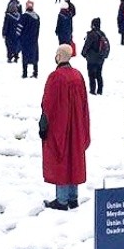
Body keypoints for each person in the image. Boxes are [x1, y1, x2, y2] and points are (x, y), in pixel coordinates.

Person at [39, 44, 90, 210]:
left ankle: (61, 199)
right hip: (76, 126)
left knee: (61, 157)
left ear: (59, 56)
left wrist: (44, 124)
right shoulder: (78, 76)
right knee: (74, 157)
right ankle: (73, 197)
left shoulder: (55, 77)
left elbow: (48, 103)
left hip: (60, 126)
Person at [81, 18, 109, 95]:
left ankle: (92, 90)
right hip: (100, 58)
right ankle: (100, 90)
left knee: (92, 75)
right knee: (99, 74)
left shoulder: (91, 35)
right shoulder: (102, 34)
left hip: (92, 58)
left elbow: (87, 45)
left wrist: (83, 53)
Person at [17, 0, 40, 78]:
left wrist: (18, 37)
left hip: (25, 40)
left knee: (25, 57)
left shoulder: (24, 16)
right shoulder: (37, 17)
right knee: (34, 57)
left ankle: (25, 73)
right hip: (34, 40)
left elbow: (19, 28)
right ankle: (35, 72)